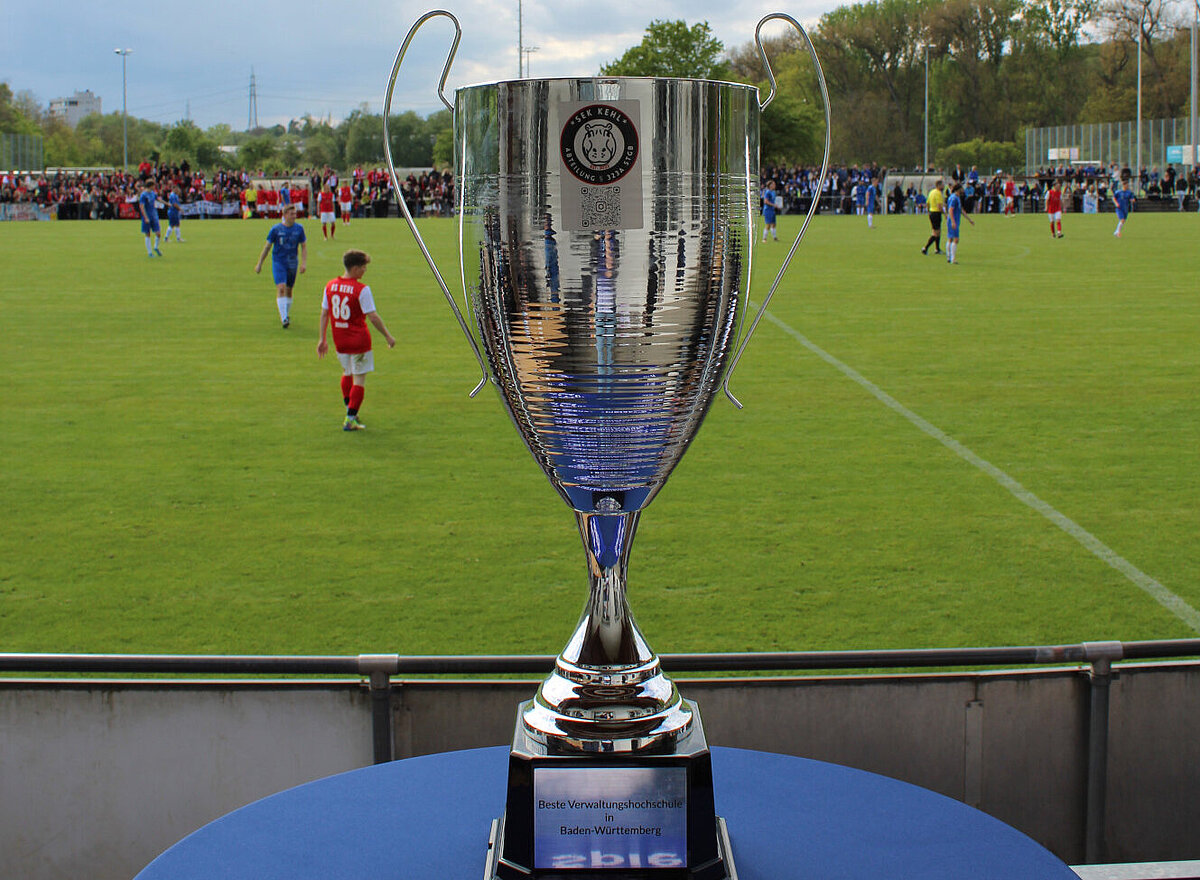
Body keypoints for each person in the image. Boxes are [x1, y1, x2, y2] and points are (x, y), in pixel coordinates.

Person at [317, 249, 396, 431]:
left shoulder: (330, 286)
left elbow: (324, 313)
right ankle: (350, 419)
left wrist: (322, 339)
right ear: (354, 268)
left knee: (347, 372)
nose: (365, 270)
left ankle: (349, 409)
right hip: (359, 340)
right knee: (359, 379)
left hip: (340, 339)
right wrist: (387, 336)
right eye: (363, 267)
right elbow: (373, 316)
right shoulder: (361, 289)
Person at [254, 203, 308, 329]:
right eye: (291, 214)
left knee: (289, 290)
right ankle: (284, 318)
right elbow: (267, 247)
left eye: (295, 214)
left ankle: (286, 313)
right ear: (284, 215)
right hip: (279, 262)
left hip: (292, 263)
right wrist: (259, 263)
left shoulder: (299, 229)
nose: (294, 216)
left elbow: (304, 246)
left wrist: (303, 263)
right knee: (281, 288)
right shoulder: (276, 229)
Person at [945, 183, 974, 265]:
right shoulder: (954, 198)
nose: (963, 189)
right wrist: (953, 222)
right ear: (958, 189)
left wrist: (969, 219)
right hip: (953, 221)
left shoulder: (957, 197)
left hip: (954, 221)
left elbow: (961, 210)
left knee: (950, 239)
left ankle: (949, 257)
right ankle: (952, 259)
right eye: (961, 188)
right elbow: (950, 210)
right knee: (956, 239)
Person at [138, 180, 163, 257]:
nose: (154, 187)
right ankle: (149, 253)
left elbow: (158, 199)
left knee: (158, 233)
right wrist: (145, 217)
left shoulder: (152, 193)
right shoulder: (143, 195)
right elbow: (142, 207)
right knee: (148, 234)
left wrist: (166, 203)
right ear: (150, 186)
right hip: (147, 216)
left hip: (154, 216)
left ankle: (155, 247)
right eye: (153, 185)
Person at [921, 179, 945, 256]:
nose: (943, 186)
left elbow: (927, 203)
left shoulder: (931, 192)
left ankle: (937, 249)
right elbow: (939, 206)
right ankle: (925, 248)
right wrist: (945, 214)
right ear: (939, 185)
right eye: (942, 185)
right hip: (936, 213)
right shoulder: (938, 193)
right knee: (935, 233)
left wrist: (928, 212)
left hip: (932, 213)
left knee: (938, 231)